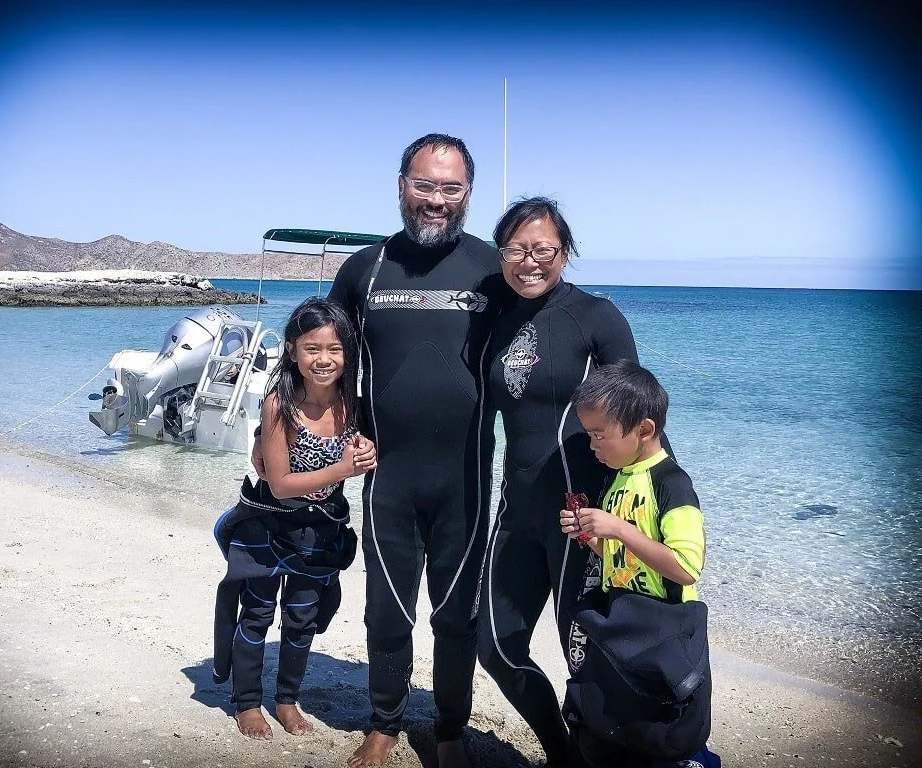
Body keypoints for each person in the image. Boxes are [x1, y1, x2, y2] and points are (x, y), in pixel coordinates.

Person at [324, 133, 506, 768]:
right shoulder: (364, 270)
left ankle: (450, 729)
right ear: (401, 184)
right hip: (387, 477)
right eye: (424, 184)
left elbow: (544, 363)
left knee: (456, 617)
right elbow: (325, 362)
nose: (437, 199)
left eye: (450, 187)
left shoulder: (493, 270)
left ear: (469, 194)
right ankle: (384, 721)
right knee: (387, 611)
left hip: (466, 480)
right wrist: (326, 437)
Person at [477, 197, 640, 766]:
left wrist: (651, 512)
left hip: (583, 520)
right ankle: (563, 754)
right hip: (515, 510)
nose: (530, 261)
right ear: (501, 255)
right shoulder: (491, 318)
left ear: (564, 253)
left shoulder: (596, 317)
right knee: (494, 647)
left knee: (585, 658)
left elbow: (642, 422)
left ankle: (607, 754)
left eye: (543, 249)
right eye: (517, 249)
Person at [213, 297, 377, 741]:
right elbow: (282, 483)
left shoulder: (355, 404)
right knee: (257, 614)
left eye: (335, 349)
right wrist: (346, 469)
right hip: (268, 525)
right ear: (291, 350)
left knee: (302, 617)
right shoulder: (279, 406)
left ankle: (287, 699)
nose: (324, 359)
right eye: (312, 348)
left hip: (320, 532)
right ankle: (247, 702)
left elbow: (377, 448)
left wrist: (368, 452)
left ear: (349, 352)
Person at [560, 360, 709, 768]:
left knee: (671, 733)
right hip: (625, 621)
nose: (592, 445)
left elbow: (685, 566)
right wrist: (590, 536)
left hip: (668, 628)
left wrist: (619, 529)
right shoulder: (620, 476)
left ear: (643, 430)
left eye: (598, 435)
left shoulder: (671, 484)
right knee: (621, 728)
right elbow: (620, 559)